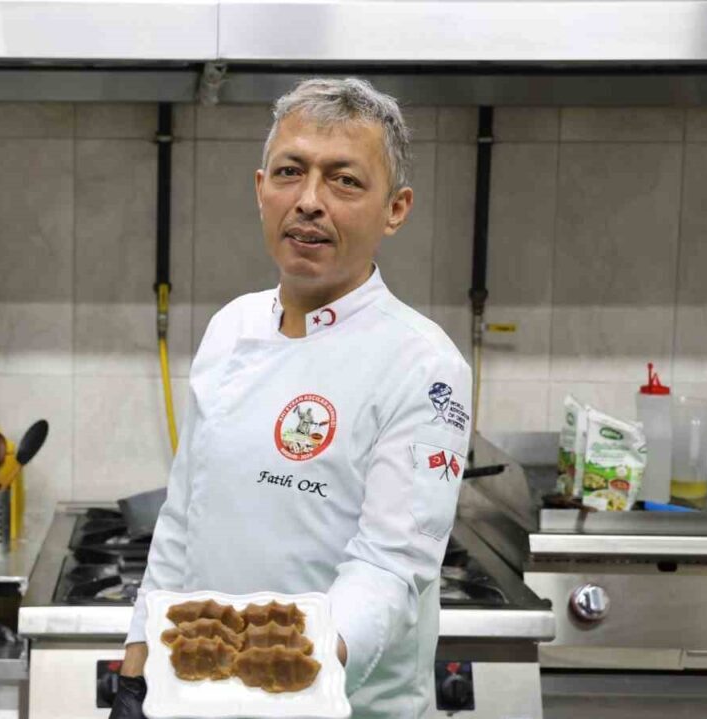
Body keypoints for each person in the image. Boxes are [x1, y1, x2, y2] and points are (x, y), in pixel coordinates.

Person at [110, 78, 473, 719]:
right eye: (289, 172)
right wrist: (138, 667)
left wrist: (290, 676)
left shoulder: (425, 365)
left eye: (344, 181)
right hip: (200, 701)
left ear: (396, 209)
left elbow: (390, 565)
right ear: (260, 189)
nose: (308, 201)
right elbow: (182, 518)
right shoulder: (231, 327)